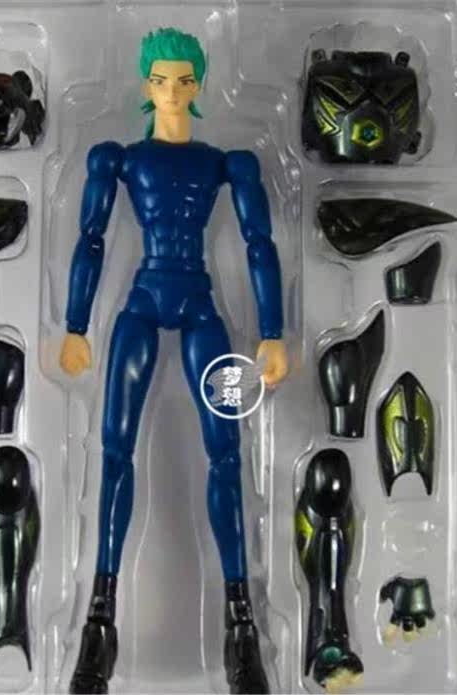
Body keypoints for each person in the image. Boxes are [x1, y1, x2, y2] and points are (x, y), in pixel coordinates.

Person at [60, 27, 288, 694]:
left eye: (184, 80)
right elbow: (91, 238)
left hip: (198, 303)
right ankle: (98, 622)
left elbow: (260, 243)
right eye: (161, 80)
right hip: (142, 299)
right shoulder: (120, 159)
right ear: (146, 85)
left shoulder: (226, 163)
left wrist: (273, 333)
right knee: (115, 449)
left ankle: (242, 627)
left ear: (197, 85)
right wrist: (75, 324)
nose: (172, 92)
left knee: (226, 451)